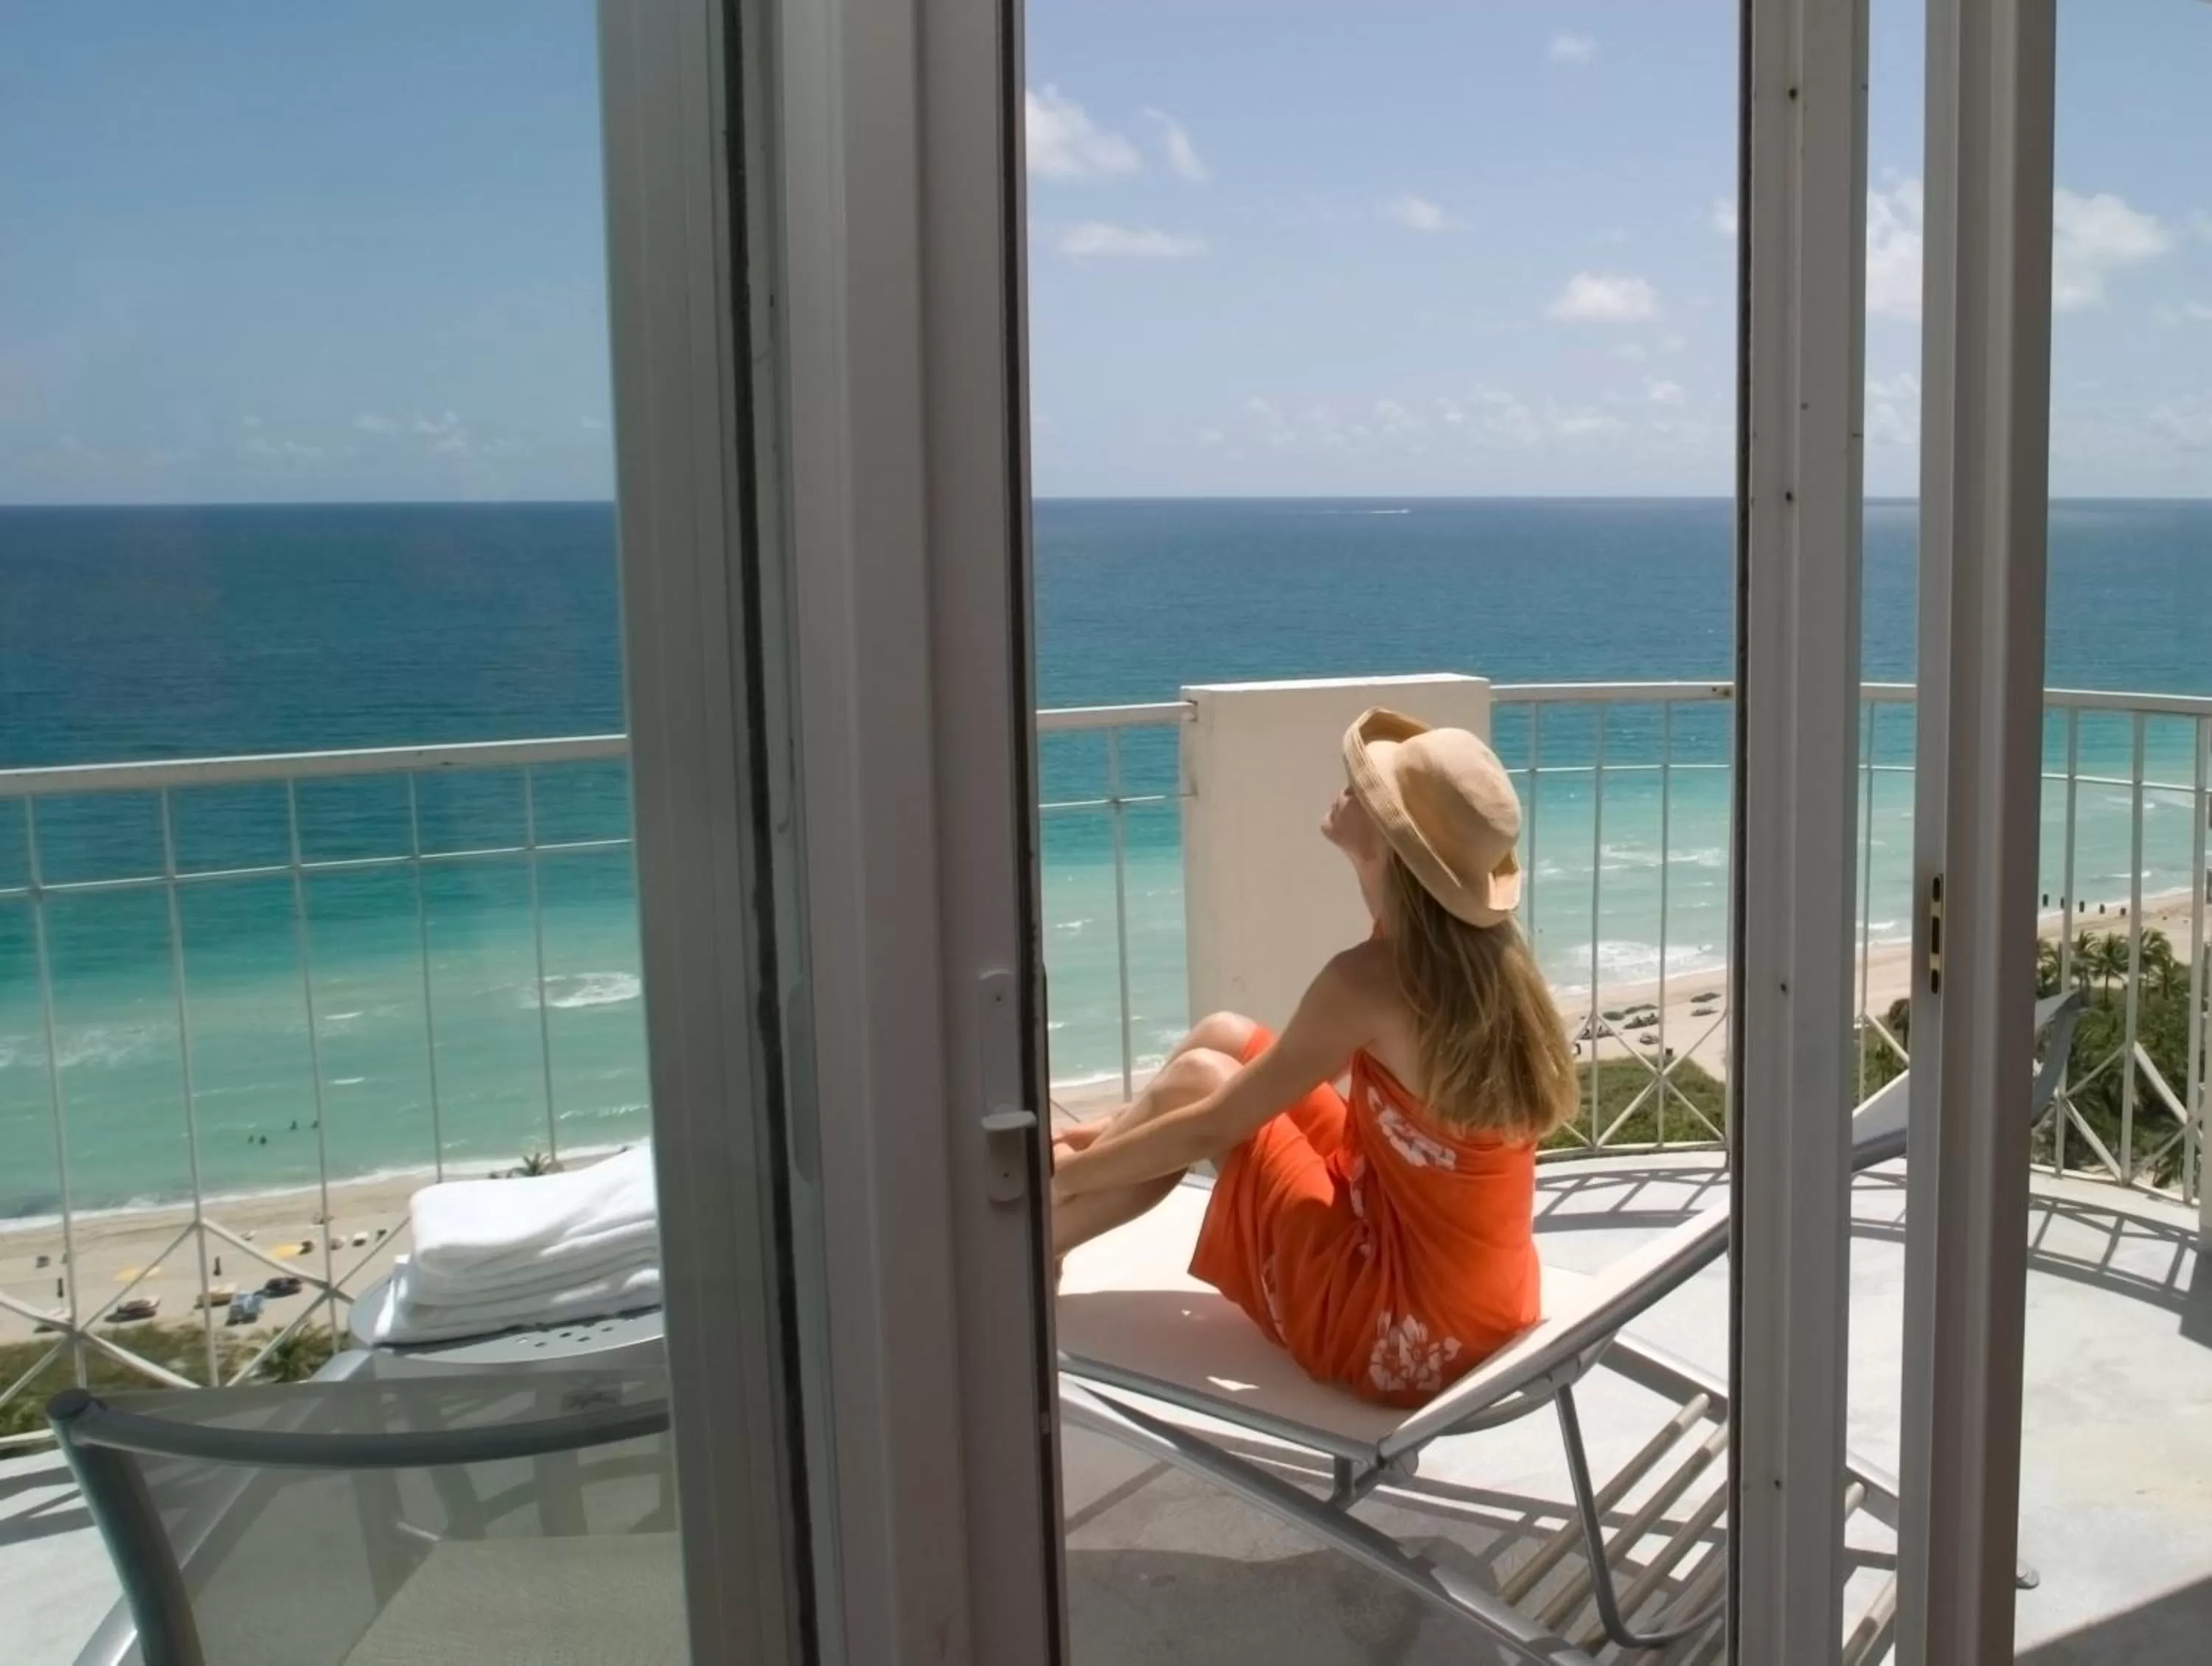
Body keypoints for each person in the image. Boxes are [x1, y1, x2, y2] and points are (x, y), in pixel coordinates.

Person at [1051, 708, 1577, 1406]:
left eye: (1365, 790)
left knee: (1203, 1083)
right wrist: (1091, 1139)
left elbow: (1215, 1125)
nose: (1346, 789)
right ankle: (1058, 1174)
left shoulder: (1370, 978)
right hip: (1479, 1299)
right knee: (1227, 1035)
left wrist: (1071, 1173)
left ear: (1388, 844)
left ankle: (1039, 1229)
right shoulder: (1471, 955)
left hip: (1404, 1327)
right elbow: (1280, 1081)